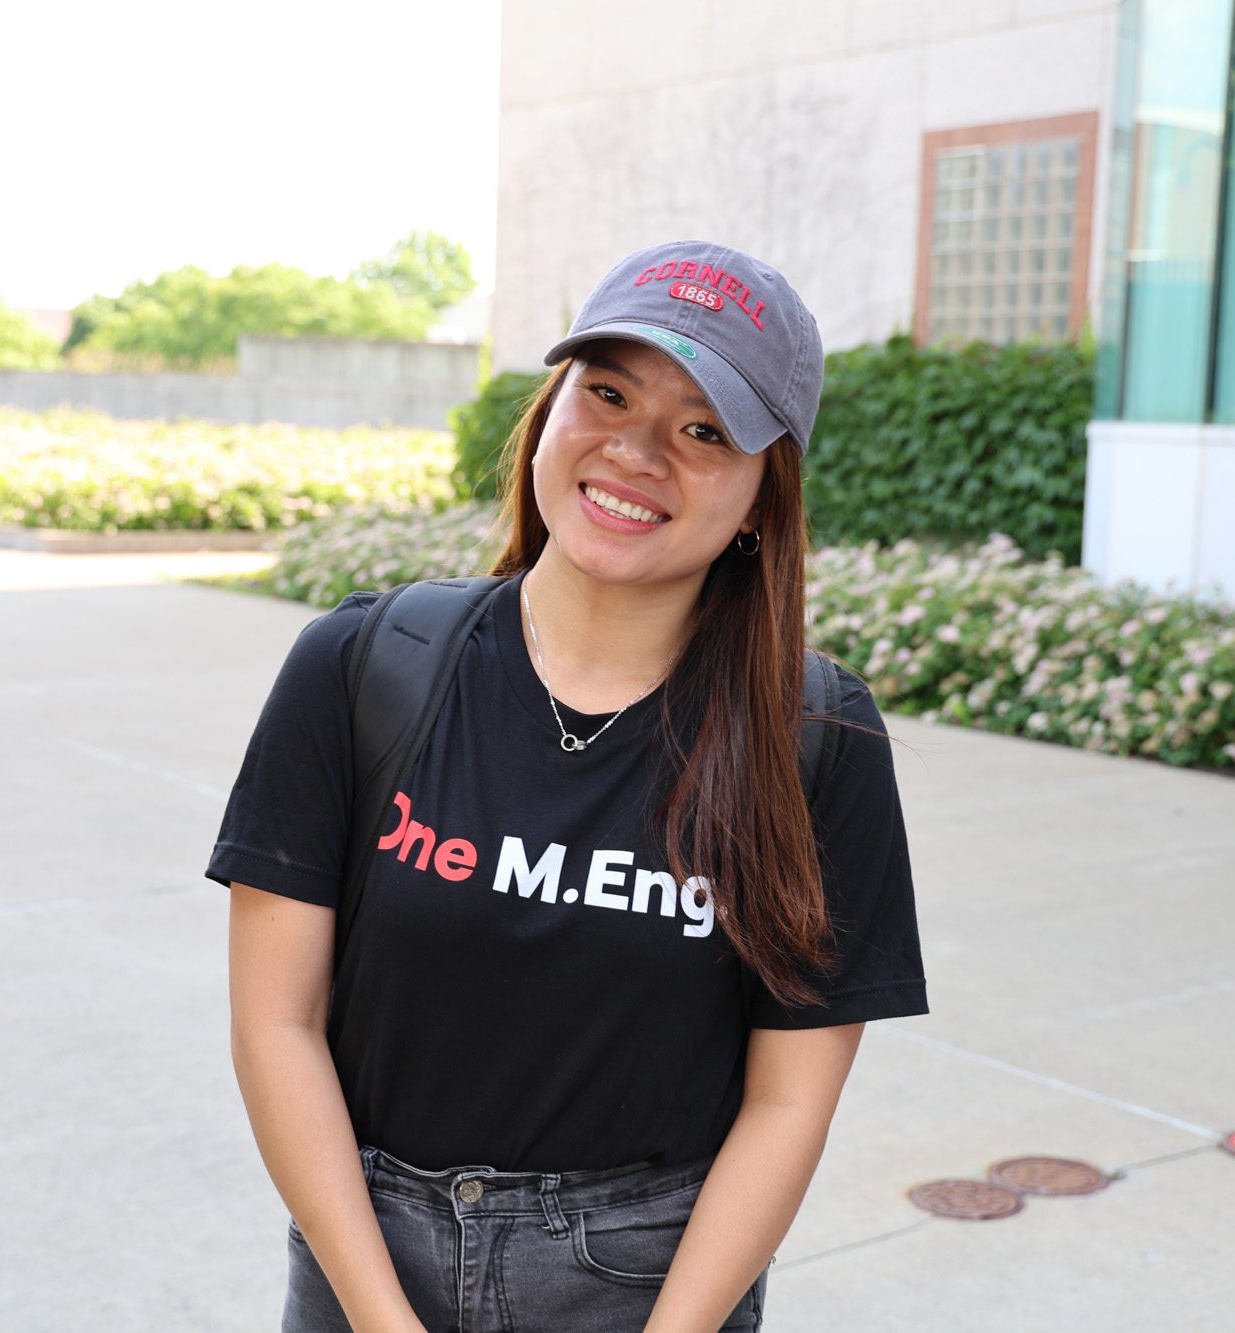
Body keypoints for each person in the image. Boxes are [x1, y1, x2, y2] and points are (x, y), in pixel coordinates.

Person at [209, 240, 927, 1331]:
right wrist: (377, 1315)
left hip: (649, 1280)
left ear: (756, 497)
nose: (634, 451)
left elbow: (786, 1103)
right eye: (606, 392)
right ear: (549, 411)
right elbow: (278, 1023)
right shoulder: (362, 665)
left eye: (702, 430)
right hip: (368, 1256)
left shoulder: (811, 740)